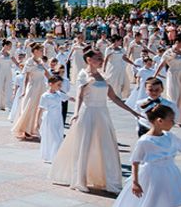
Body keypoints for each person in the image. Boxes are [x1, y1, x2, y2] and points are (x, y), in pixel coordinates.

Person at [50, 50, 141, 193]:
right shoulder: (83, 75)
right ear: (89, 59)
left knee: (105, 146)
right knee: (85, 146)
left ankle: (108, 180)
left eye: (101, 58)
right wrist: (75, 113)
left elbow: (114, 98)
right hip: (88, 112)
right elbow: (79, 96)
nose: (102, 60)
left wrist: (132, 111)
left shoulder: (103, 76)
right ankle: (80, 180)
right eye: (98, 58)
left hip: (103, 114)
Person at [36, 76, 69, 164]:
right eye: (58, 84)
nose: (60, 86)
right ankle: (52, 156)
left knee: (59, 136)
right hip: (50, 119)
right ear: (51, 84)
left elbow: (68, 98)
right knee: (54, 138)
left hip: (58, 118)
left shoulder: (59, 94)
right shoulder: (45, 96)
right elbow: (40, 109)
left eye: (61, 84)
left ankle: (55, 155)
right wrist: (37, 122)